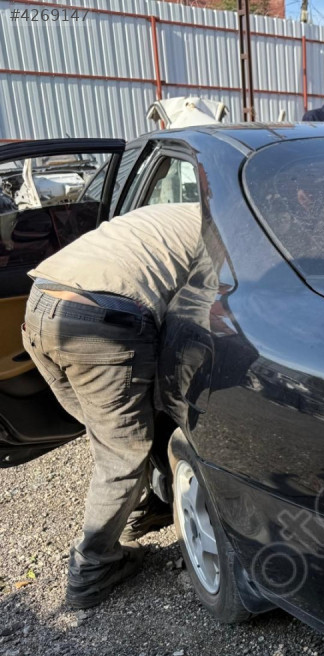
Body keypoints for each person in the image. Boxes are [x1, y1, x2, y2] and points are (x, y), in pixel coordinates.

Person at [21, 202, 203, 609]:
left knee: (117, 433)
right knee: (122, 453)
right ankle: (92, 568)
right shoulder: (227, 229)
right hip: (102, 322)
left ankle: (141, 507)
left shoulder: (176, 211)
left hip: (41, 304)